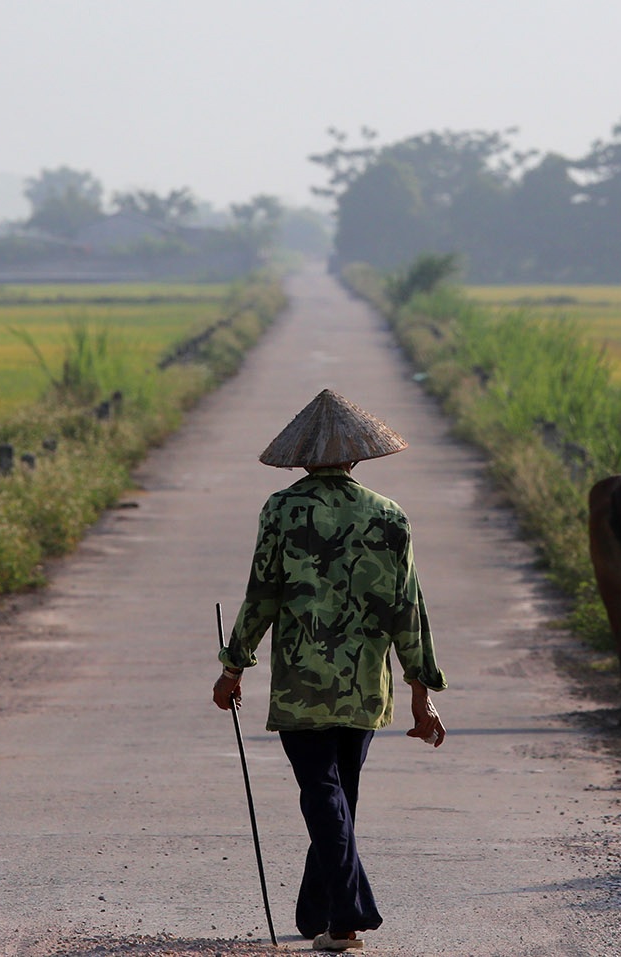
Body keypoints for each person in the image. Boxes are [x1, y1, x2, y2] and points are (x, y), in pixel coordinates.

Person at [213, 388, 449, 953]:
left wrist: (232, 667)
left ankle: (344, 916)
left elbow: (261, 597)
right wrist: (423, 693)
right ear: (357, 457)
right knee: (339, 794)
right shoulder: (390, 516)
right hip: (366, 687)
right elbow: (408, 610)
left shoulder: (282, 510)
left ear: (300, 458)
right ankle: (318, 910)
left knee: (323, 792)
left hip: (300, 686)